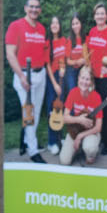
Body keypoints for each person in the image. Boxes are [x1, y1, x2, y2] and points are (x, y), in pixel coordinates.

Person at [4, 0, 48, 162]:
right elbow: (10, 54)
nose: (34, 9)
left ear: (40, 10)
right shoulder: (16, 26)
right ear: (25, 8)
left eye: (37, 7)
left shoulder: (42, 29)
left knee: (35, 111)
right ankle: (33, 151)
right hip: (24, 76)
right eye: (31, 6)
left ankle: (25, 140)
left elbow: (43, 53)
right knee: (30, 113)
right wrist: (22, 77)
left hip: (40, 74)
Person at [84, 2, 107, 155]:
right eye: (97, 13)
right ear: (94, 16)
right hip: (94, 78)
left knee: (106, 111)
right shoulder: (92, 31)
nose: (100, 16)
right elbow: (89, 54)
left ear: (106, 16)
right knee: (95, 110)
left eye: (102, 13)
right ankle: (96, 139)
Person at [58, 66, 103, 166]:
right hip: (76, 129)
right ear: (78, 78)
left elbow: (98, 127)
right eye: (82, 78)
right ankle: (78, 147)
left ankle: (89, 152)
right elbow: (65, 118)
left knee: (90, 149)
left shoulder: (96, 97)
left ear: (91, 81)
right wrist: (79, 120)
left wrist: (80, 136)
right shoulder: (73, 93)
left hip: (90, 131)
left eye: (87, 79)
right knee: (64, 161)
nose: (84, 81)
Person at [43, 14, 68, 152]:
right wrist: (55, 84)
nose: (54, 25)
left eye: (57, 23)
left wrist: (63, 71)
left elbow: (65, 58)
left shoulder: (64, 40)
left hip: (62, 77)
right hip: (52, 79)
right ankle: (52, 142)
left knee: (61, 108)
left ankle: (60, 138)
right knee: (52, 110)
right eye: (52, 23)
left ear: (59, 26)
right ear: (50, 26)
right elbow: (47, 65)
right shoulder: (48, 43)